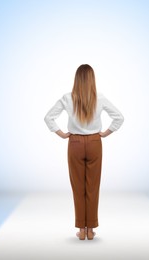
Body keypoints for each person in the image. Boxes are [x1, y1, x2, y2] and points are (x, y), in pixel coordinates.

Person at [44, 64, 124, 240]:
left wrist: (62, 134)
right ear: (92, 80)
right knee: (93, 187)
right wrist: (104, 133)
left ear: (76, 80)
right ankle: (91, 230)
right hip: (95, 142)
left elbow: (48, 117)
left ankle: (81, 229)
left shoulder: (67, 98)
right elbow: (119, 117)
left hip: (75, 143)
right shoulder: (100, 98)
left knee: (78, 187)